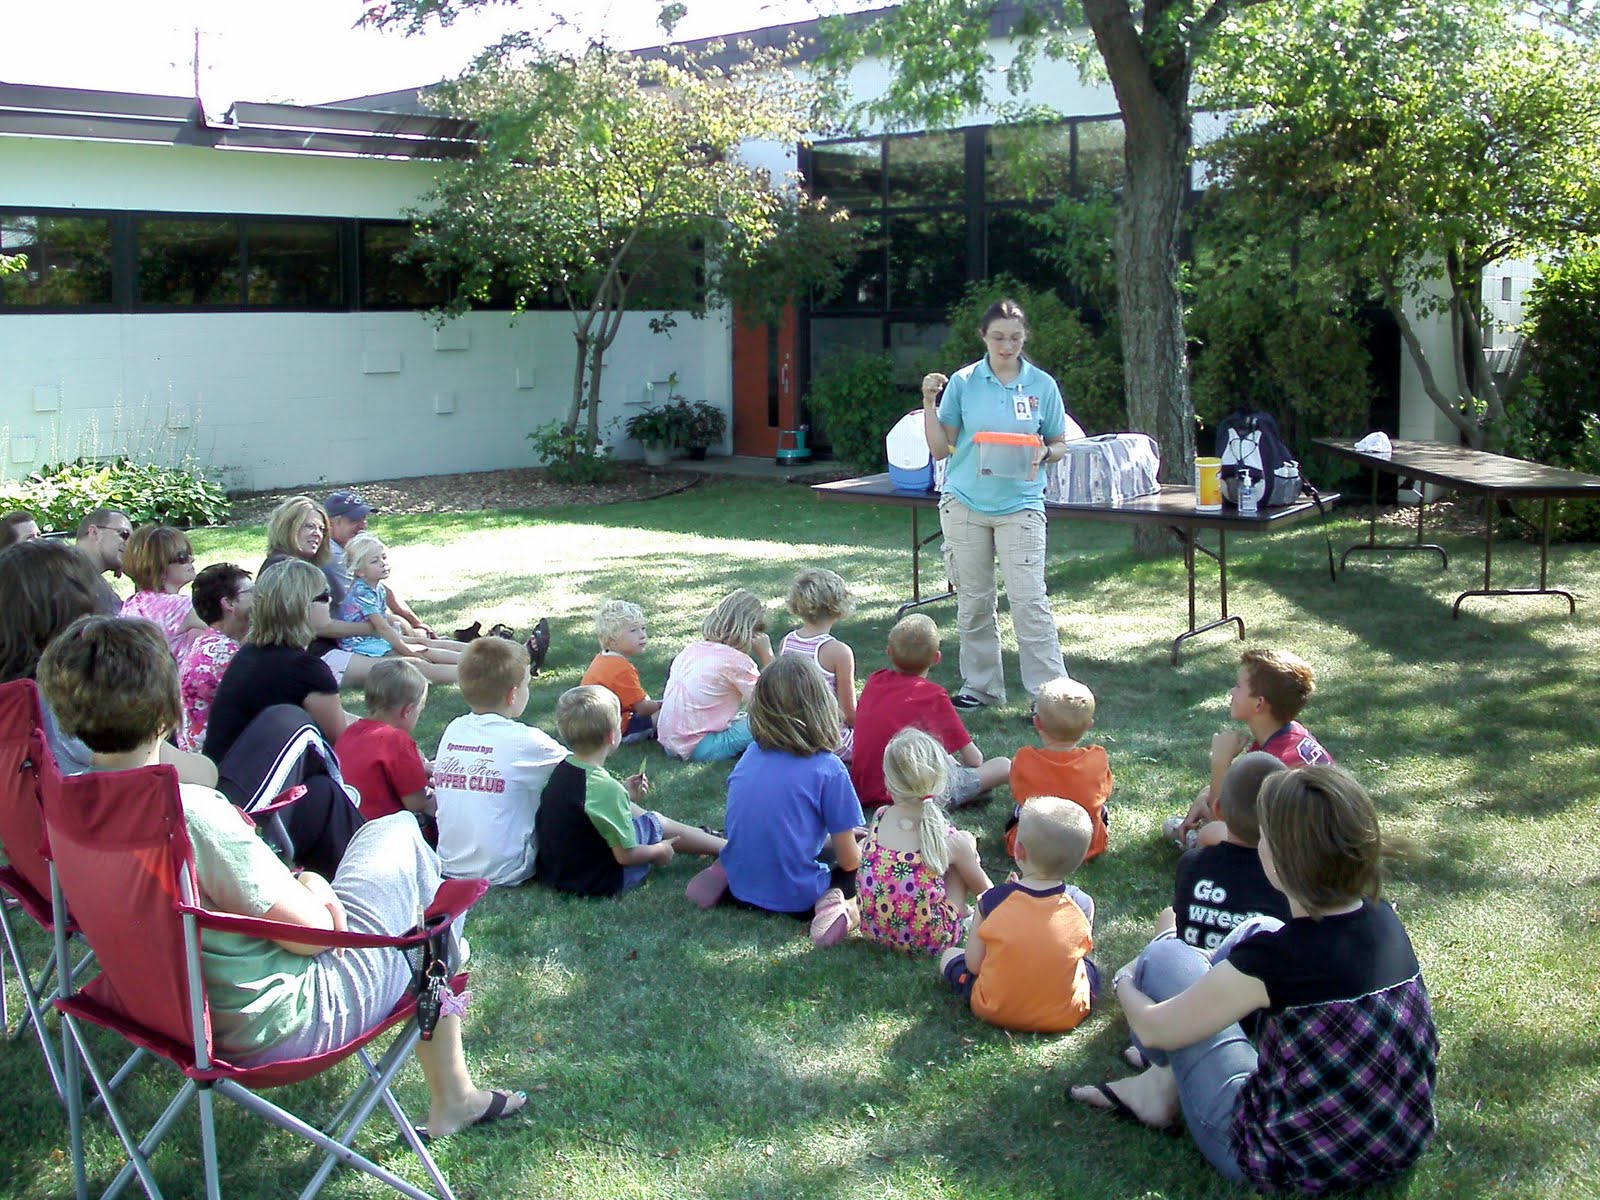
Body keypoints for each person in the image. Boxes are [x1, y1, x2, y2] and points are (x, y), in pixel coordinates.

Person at [37, 615, 526, 1138]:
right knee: (403, 839)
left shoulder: (68, 804)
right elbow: (313, 938)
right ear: (169, 704)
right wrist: (312, 885)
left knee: (400, 857)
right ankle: (454, 1087)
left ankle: (448, 1026)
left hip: (163, 1008)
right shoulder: (188, 813)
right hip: (280, 1022)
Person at [1071, 767, 1438, 1195]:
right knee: (1259, 925)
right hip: (1397, 1142)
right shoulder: (1384, 919)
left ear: (1281, 862)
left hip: (1279, 1160)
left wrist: (1125, 981)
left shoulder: (1277, 961)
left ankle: (1157, 1090)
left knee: (1167, 955)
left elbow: (1153, 1028)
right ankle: (1161, 1081)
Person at [921, 297, 1074, 712]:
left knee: (1029, 601)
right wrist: (929, 404)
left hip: (1021, 504)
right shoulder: (965, 382)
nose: (1007, 346)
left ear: (1025, 338)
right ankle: (980, 687)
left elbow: (1059, 442)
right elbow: (940, 450)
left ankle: (1049, 697)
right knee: (974, 599)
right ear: (983, 337)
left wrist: (1047, 453)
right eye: (998, 337)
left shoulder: (1041, 384)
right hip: (966, 503)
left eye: (1015, 338)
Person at [0, 538, 216, 787]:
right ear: (78, 607)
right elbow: (198, 777)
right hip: (115, 815)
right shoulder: (75, 687)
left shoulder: (14, 702)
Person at [683, 655, 866, 948]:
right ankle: (834, 905)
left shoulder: (751, 754)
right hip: (797, 896)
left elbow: (788, 824)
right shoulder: (829, 768)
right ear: (821, 708)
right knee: (863, 867)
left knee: (772, 844)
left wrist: (833, 841)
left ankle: (724, 871)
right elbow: (849, 859)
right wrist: (861, 847)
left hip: (743, 883)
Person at [533, 685, 725, 897]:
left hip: (559, 873)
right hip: (601, 880)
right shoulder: (605, 788)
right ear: (612, 737)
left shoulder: (563, 770)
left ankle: (707, 838)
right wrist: (658, 851)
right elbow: (626, 855)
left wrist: (623, 792)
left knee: (633, 810)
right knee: (655, 822)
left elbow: (585, 808)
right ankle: (724, 847)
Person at [938, 796, 1098, 1033]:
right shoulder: (1081, 906)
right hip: (1065, 1014)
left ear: (1018, 850)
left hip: (992, 1007)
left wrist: (1009, 895)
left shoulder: (992, 901)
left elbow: (973, 964)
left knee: (950, 956)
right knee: (1089, 969)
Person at [1167, 648, 1334, 851]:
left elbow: (1228, 820)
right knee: (1209, 798)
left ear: (1259, 704)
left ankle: (1198, 845)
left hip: (1301, 857)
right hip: (1321, 843)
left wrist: (1220, 761)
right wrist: (1204, 797)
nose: (1231, 692)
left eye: (1238, 687)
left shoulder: (1275, 762)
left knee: (1210, 834)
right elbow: (1234, 794)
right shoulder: (1287, 733)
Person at [432, 638, 565, 887]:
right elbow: (584, 774)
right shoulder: (526, 741)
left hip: (448, 863)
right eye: (527, 684)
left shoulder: (454, 729)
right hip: (506, 869)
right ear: (513, 694)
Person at [848, 614, 1010, 810]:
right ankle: (966, 792)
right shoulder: (932, 696)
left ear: (889, 652)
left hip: (864, 788)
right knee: (1004, 765)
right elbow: (974, 759)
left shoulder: (875, 681)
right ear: (936, 658)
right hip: (911, 796)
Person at [858, 728, 992, 957]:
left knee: (957, 847)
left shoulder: (880, 817)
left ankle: (961, 911)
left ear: (889, 783)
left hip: (874, 930)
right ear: (941, 780)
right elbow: (990, 896)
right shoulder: (947, 839)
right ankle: (965, 914)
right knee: (964, 845)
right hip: (930, 940)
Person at [203, 560, 348, 765]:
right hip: (254, 790)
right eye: (324, 596)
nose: (330, 600)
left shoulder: (250, 653)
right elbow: (343, 742)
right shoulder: (304, 670)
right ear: (300, 608)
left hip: (225, 777)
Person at [1166, 752, 1293, 954]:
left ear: (1217, 810)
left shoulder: (1191, 863)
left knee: (1166, 918)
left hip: (1191, 974)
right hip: (1252, 982)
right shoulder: (1287, 881)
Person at [259, 495, 377, 687]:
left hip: (319, 652)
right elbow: (320, 626)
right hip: (311, 658)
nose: (318, 534)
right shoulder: (286, 569)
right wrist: (375, 629)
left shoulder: (289, 564)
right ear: (288, 526)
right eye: (309, 526)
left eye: (321, 529)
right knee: (401, 668)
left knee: (410, 658)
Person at [657, 588, 774, 763]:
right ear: (751, 631)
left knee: (743, 717)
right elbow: (774, 700)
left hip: (669, 741)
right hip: (699, 747)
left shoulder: (691, 649)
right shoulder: (737, 661)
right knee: (773, 723)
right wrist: (768, 656)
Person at [336, 533, 467, 684]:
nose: (383, 563)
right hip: (362, 643)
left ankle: (485, 654)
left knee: (425, 644)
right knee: (420, 654)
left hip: (377, 637)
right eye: (374, 561)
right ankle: (481, 669)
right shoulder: (362, 592)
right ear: (360, 571)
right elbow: (382, 628)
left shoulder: (377, 587)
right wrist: (408, 650)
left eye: (384, 557)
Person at [1006, 677, 1111, 862]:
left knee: (1022, 807)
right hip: (1085, 846)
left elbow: (1017, 792)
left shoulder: (1024, 759)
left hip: (1031, 849)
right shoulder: (1098, 758)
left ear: (1037, 723)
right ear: (1089, 726)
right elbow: (1105, 790)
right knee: (1100, 806)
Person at [336, 658, 434, 825]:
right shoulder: (396, 741)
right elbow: (417, 803)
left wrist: (419, 770)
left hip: (347, 825)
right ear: (408, 710)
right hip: (378, 831)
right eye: (419, 710)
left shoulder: (350, 733)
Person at [780, 567, 858, 761]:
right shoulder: (838, 652)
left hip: (791, 735)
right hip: (828, 739)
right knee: (883, 738)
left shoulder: (787, 642)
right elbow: (849, 715)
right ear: (838, 606)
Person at [177, 564, 253, 754]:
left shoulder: (208, 643)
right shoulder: (223, 654)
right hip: (215, 762)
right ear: (228, 603)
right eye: (252, 592)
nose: (260, 598)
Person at [119, 524, 208, 657]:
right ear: (159, 569)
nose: (192, 559)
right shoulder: (176, 606)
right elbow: (228, 626)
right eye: (182, 556)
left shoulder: (133, 603)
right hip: (172, 676)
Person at [581, 599, 661, 744]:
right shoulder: (621, 669)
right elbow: (643, 709)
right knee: (666, 714)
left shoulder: (602, 658)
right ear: (613, 640)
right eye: (633, 630)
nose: (642, 635)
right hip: (615, 730)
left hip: (591, 726)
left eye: (643, 628)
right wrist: (664, 703)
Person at [73, 506, 132, 615]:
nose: (129, 544)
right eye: (124, 534)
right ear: (94, 532)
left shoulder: (86, 576)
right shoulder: (69, 577)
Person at [322, 489, 373, 598]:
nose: (363, 526)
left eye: (364, 518)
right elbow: (362, 601)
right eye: (354, 520)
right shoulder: (333, 554)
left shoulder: (349, 546)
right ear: (330, 524)